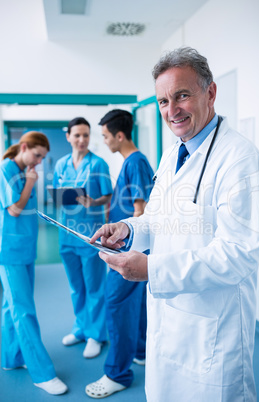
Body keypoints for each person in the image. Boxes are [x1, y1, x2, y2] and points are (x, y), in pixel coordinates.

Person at [89, 48, 259, 401]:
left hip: (212, 331)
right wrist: (128, 228)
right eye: (162, 101)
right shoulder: (174, 152)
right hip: (168, 321)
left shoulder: (241, 159)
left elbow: (238, 254)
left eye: (182, 95)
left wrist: (152, 269)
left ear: (210, 93)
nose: (172, 110)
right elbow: (158, 217)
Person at [85, 109, 154, 399]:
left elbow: (142, 211)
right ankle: (139, 351)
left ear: (120, 135)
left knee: (116, 305)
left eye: (105, 136)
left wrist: (129, 252)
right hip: (126, 246)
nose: (104, 142)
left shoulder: (135, 162)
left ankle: (118, 374)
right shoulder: (130, 162)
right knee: (134, 306)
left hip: (129, 252)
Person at [0, 131, 68, 395]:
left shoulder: (21, 169)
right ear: (24, 147)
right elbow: (14, 209)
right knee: (23, 310)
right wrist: (30, 182)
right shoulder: (7, 168)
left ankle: (11, 358)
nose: (38, 162)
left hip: (24, 248)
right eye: (37, 155)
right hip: (10, 251)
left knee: (10, 306)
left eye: (41, 158)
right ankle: (42, 373)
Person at [53, 117, 112, 359]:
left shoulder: (98, 164)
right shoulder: (60, 164)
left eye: (86, 135)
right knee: (76, 287)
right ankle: (80, 328)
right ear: (68, 137)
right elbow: (57, 194)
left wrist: (93, 201)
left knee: (94, 287)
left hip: (90, 234)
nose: (81, 140)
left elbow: (108, 195)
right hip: (66, 233)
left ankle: (95, 335)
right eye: (77, 135)